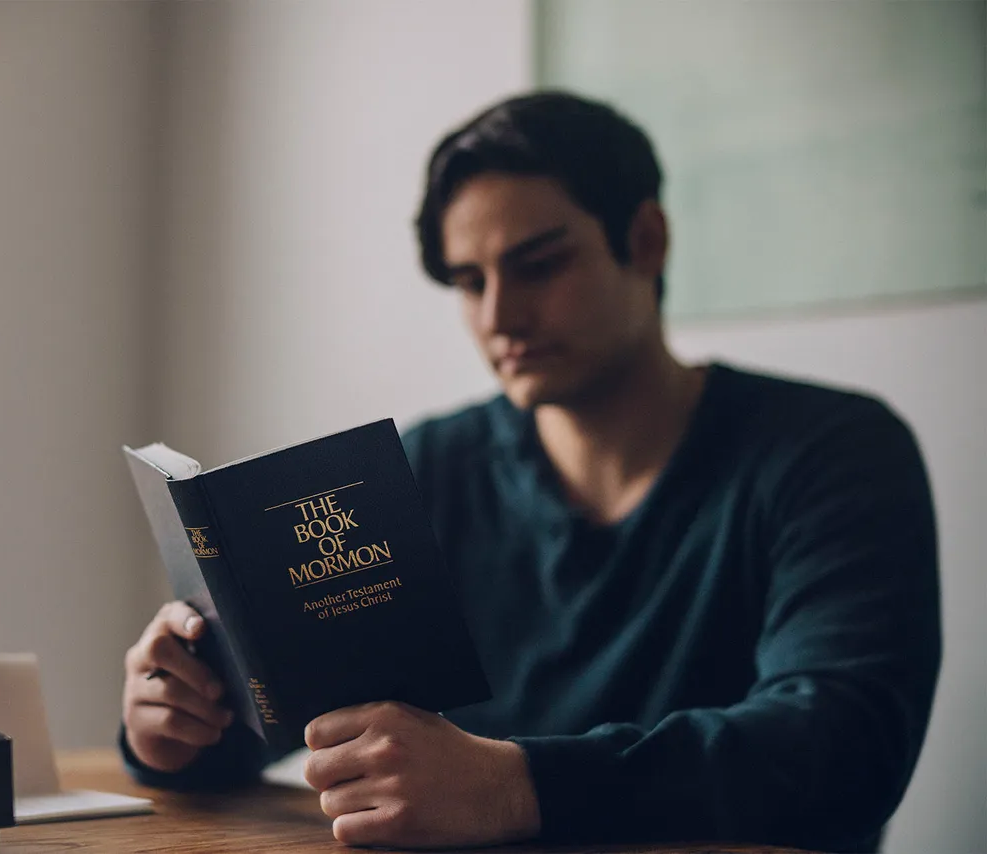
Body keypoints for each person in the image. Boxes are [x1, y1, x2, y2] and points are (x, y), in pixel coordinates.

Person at [118, 91, 941, 853]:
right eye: (469, 281)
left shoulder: (829, 452)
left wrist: (517, 786)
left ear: (646, 241)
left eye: (540, 265)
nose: (500, 316)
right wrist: (182, 727)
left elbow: (846, 746)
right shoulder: (424, 471)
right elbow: (308, 723)